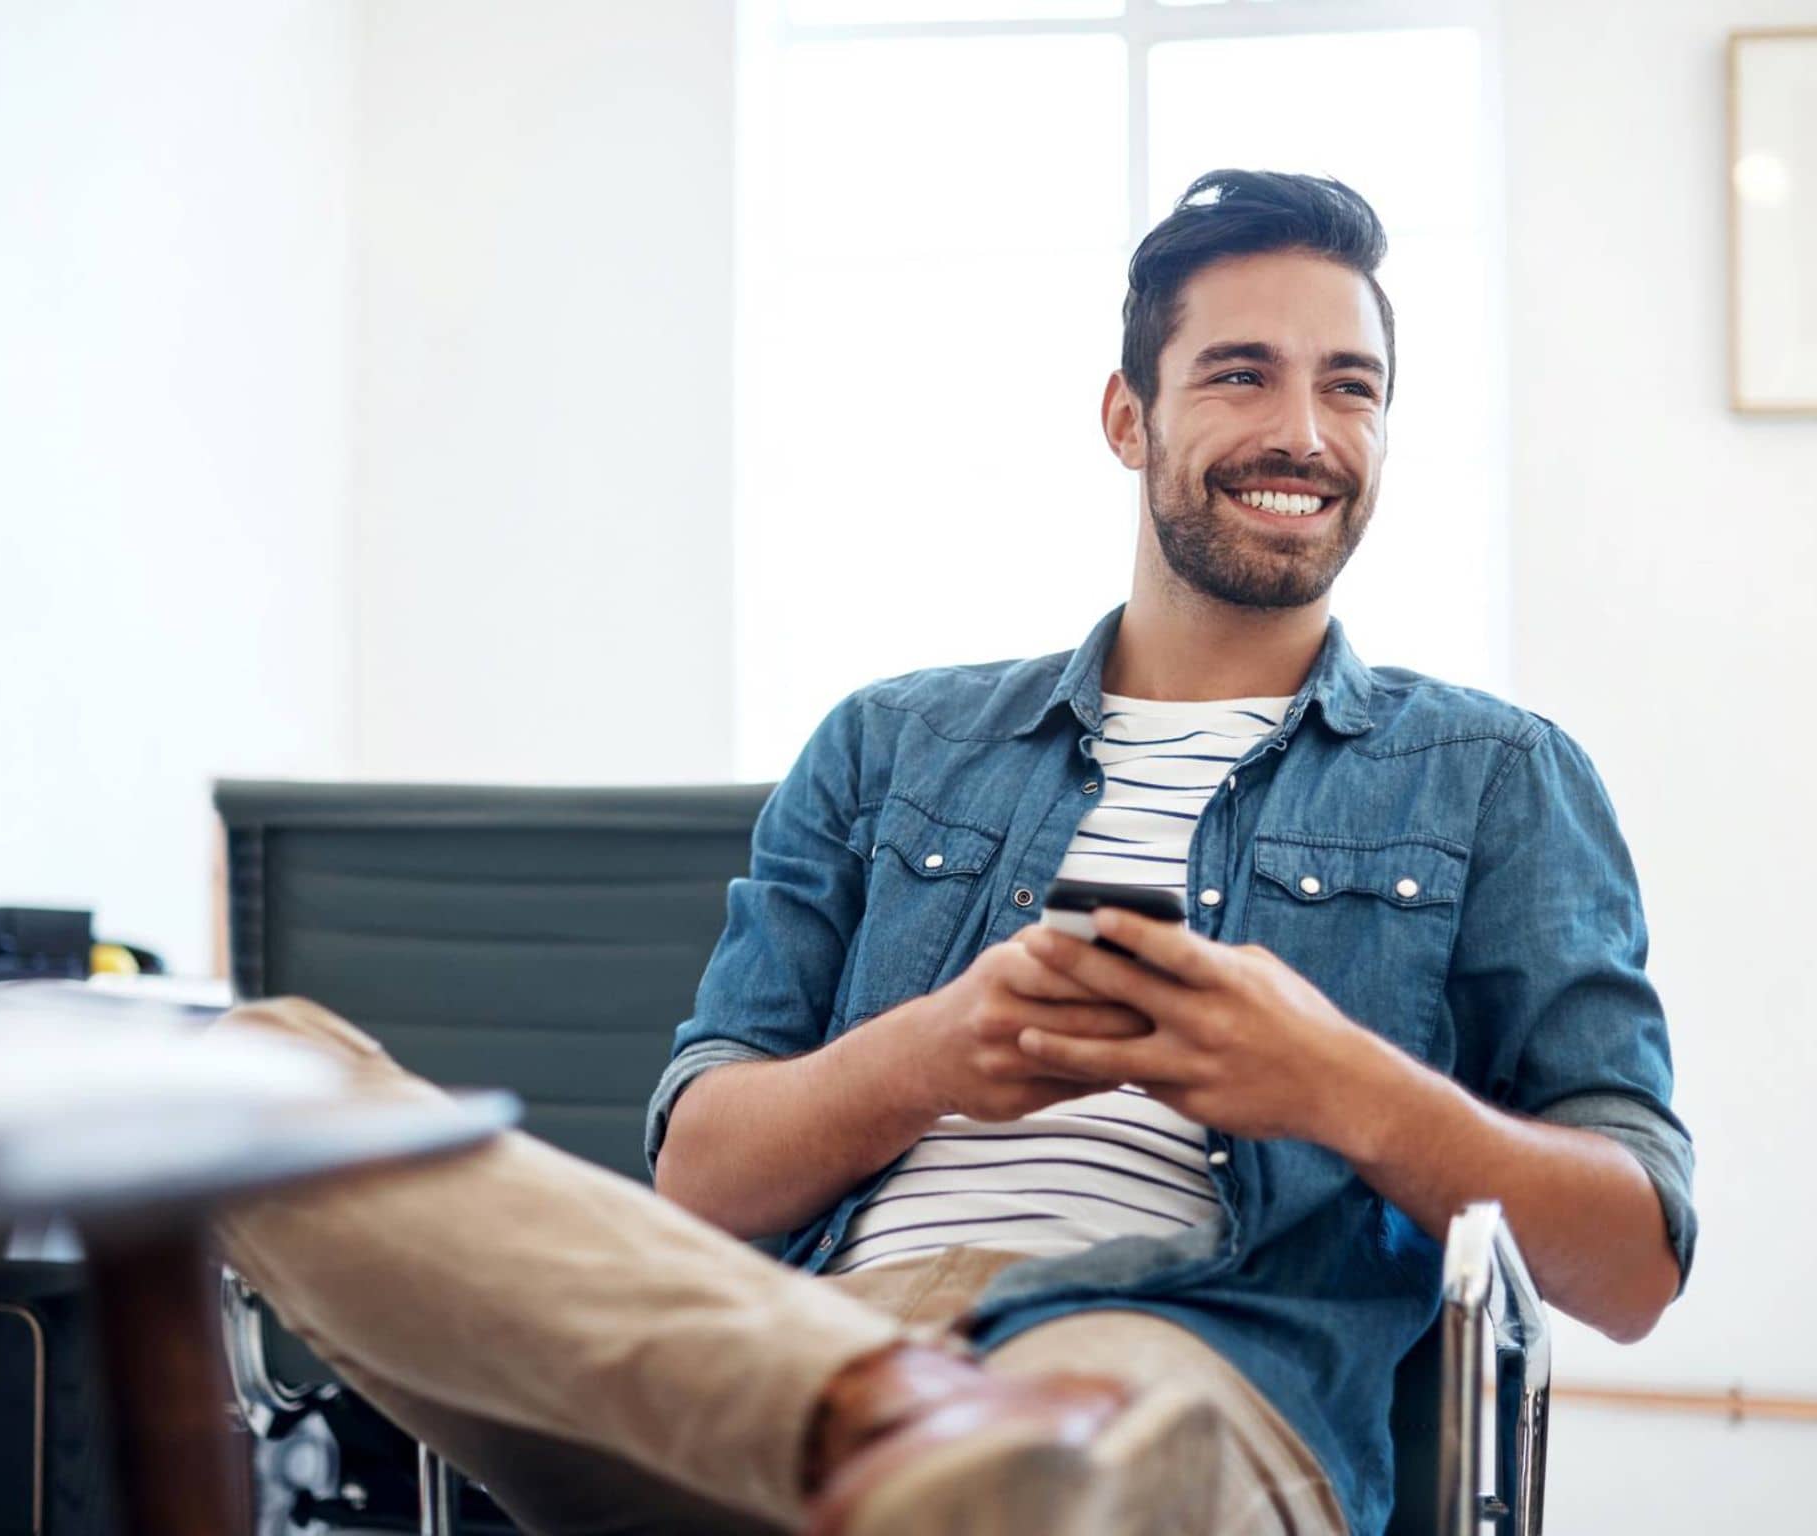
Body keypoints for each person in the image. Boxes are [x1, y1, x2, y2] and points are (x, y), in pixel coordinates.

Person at [221, 170, 1694, 1536]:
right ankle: (888, 1431)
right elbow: (699, 1186)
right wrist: (936, 1052)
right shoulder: (892, 743)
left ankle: (958, 1459)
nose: (1304, 432)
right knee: (264, 1079)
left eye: (1350, 387)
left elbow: (1630, 1263)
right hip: (779, 1347)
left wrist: (1334, 1082)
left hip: (1178, 1360)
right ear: (1128, 417)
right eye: (1242, 373)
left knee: (1091, 1451)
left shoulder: (1496, 775)